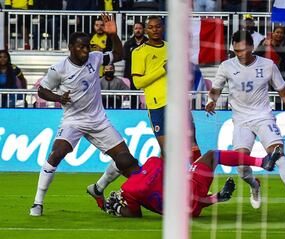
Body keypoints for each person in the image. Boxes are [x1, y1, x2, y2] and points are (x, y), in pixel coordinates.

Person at [205, 30, 285, 210]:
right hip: (241, 121)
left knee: (278, 153)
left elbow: (284, 93)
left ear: (251, 47)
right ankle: (254, 186)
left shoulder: (268, 65)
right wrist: (211, 101)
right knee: (241, 167)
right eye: (235, 51)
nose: (238, 54)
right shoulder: (226, 66)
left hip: (263, 117)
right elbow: (216, 89)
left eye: (242, 50)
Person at [29, 13, 128, 216]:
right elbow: (41, 90)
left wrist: (114, 35)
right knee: (57, 153)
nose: (85, 50)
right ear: (71, 48)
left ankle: (98, 188)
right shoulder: (59, 69)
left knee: (125, 160)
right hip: (73, 120)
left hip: (98, 120)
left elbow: (119, 54)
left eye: (88, 46)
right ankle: (37, 203)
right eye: (81, 47)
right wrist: (58, 98)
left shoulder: (96, 57)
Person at [101, 146, 283, 218]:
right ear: (135, 161)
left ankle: (213, 199)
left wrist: (117, 208)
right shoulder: (153, 162)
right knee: (213, 156)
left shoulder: (128, 189)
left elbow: (135, 214)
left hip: (184, 213)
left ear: (123, 172)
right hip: (194, 187)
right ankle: (261, 162)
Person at [131, 16, 201, 160]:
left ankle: (198, 180)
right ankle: (165, 181)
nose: (154, 30)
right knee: (167, 151)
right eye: (150, 27)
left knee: (192, 144)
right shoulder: (139, 52)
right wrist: (163, 69)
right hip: (157, 105)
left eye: (157, 26)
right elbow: (137, 83)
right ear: (145, 30)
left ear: (163, 28)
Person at [122, 22, 148, 109]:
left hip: (146, 73)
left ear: (144, 30)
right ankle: (134, 110)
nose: (138, 30)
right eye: (136, 28)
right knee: (133, 95)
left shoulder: (148, 43)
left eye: (140, 28)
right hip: (131, 73)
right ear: (133, 30)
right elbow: (126, 57)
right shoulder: (128, 43)